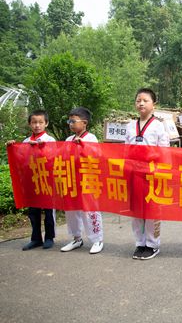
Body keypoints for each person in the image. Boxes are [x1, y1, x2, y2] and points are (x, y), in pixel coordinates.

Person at [125, 88, 170, 260]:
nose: (141, 103)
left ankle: (152, 244)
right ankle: (140, 242)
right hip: (134, 173)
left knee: (151, 209)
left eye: (145, 100)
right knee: (136, 210)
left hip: (152, 173)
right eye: (138, 100)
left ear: (154, 104)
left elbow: (164, 151)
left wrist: (161, 170)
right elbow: (126, 150)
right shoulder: (130, 125)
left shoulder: (159, 126)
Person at [7, 110, 56, 250]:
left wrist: (41, 149)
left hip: (46, 181)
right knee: (33, 211)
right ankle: (36, 238)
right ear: (29, 124)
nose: (37, 125)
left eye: (40, 122)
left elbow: (54, 158)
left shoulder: (50, 140)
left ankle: (49, 237)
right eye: (34, 122)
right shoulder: (26, 142)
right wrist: (13, 147)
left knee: (48, 211)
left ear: (46, 123)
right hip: (32, 181)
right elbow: (21, 160)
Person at [60, 107, 104, 254]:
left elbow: (97, 156)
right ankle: (76, 238)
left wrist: (83, 146)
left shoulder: (91, 138)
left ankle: (97, 239)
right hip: (71, 179)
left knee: (89, 210)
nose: (70, 124)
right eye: (69, 121)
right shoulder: (68, 140)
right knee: (71, 210)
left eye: (73, 121)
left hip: (88, 179)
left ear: (84, 122)